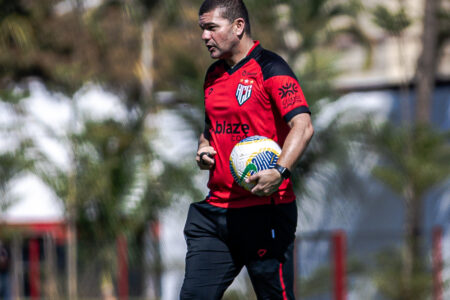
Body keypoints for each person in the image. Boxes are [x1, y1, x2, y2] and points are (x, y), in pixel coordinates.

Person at [180, 0, 314, 299]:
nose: (204, 36)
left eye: (212, 28)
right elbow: (209, 131)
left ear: (238, 26)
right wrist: (204, 150)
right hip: (216, 214)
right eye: (202, 29)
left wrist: (280, 171)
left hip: (265, 213)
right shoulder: (213, 75)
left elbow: (303, 126)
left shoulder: (271, 68)